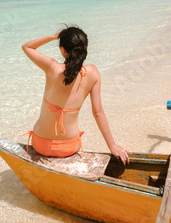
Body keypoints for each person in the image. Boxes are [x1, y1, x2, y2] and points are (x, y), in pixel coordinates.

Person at [22, 26, 129, 165]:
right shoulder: (93, 73)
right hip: (69, 147)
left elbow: (27, 47)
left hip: (41, 145)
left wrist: (54, 36)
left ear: (63, 50)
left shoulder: (52, 67)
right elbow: (98, 113)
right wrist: (112, 146)